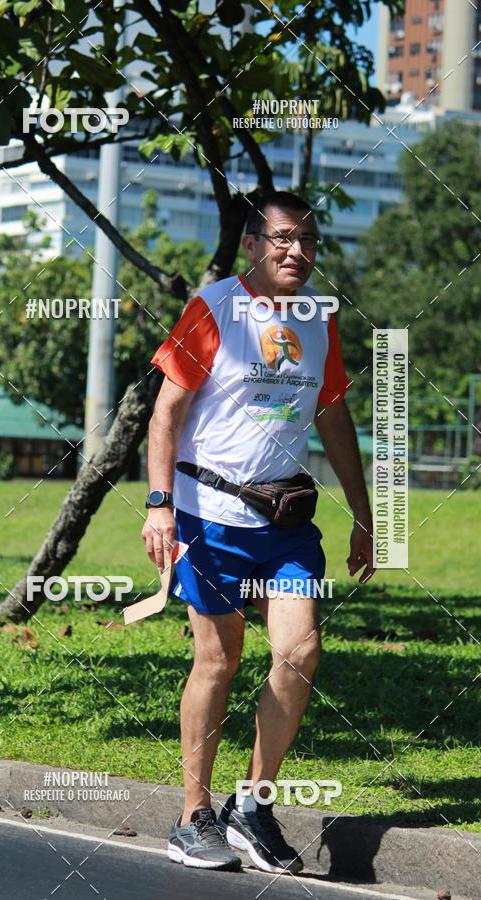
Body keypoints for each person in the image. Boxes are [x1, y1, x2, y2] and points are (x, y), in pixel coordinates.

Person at [141, 190, 374, 874]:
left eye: (307, 240)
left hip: (285, 522)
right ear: (251, 245)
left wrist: (363, 513)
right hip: (210, 518)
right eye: (281, 239)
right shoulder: (213, 309)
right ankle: (192, 815)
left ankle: (254, 806)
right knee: (219, 661)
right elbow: (165, 415)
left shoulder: (319, 321)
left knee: (300, 653)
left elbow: (333, 418)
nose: (295, 251)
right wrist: (159, 505)